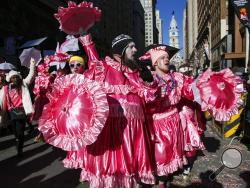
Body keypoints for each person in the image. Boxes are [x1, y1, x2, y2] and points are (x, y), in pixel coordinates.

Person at [139, 44, 243, 187]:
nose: (167, 59)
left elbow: (192, 89)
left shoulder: (177, 78)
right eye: (163, 58)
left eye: (168, 57)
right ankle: (160, 182)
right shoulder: (150, 79)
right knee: (160, 157)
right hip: (158, 125)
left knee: (171, 156)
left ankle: (165, 179)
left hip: (174, 122)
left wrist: (211, 89)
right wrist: (150, 85)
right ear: (155, 62)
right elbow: (146, 102)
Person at [60, 34, 157, 187]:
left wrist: (149, 81)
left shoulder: (134, 70)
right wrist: (86, 38)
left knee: (130, 169)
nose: (135, 49)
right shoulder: (104, 67)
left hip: (134, 129)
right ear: (120, 50)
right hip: (111, 128)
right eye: (131, 46)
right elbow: (93, 60)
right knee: (110, 168)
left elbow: (149, 96)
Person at [0, 59, 36, 157]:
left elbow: (31, 76)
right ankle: (18, 140)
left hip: (21, 111)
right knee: (15, 132)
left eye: (16, 77)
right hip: (10, 113)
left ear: (19, 78)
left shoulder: (23, 84)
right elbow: (2, 100)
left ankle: (19, 148)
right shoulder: (6, 88)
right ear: (10, 79)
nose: (15, 79)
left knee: (20, 132)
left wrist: (32, 65)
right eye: (13, 78)